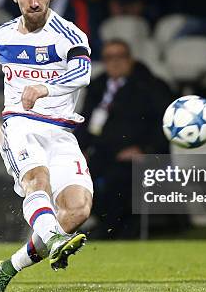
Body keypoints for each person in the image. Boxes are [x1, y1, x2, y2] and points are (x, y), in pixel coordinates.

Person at [0, 0, 93, 292]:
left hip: (60, 132)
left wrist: (47, 87)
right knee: (37, 181)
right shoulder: (2, 36)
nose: (34, 2)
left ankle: (8, 268)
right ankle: (54, 239)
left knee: (77, 209)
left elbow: (82, 73)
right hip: (20, 124)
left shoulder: (71, 35)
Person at [74, 39, 178, 239]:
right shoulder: (97, 86)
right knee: (75, 175)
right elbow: (85, 123)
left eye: (120, 57)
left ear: (130, 59)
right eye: (109, 57)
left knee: (118, 178)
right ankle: (98, 224)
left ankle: (112, 230)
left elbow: (163, 125)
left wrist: (144, 149)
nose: (115, 62)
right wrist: (78, 152)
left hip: (136, 156)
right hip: (101, 154)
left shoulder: (151, 87)